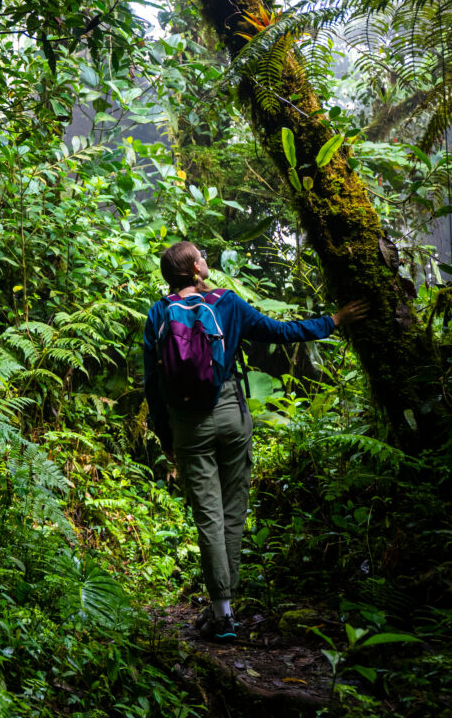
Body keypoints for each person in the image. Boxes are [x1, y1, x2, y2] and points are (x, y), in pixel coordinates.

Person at [142, 241, 368, 640]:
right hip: (231, 415)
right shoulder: (227, 303)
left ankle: (222, 613)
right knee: (233, 511)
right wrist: (334, 320)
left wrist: (166, 437)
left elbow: (153, 385)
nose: (206, 260)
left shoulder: (159, 313)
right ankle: (227, 607)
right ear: (195, 268)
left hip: (187, 424)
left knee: (207, 516)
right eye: (202, 256)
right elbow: (282, 332)